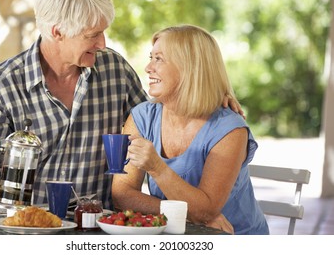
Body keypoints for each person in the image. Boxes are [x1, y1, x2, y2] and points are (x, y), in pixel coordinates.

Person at [0, 0, 240, 212]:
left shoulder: (114, 70)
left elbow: (159, 117)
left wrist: (214, 98)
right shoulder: (3, 85)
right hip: (31, 227)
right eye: (93, 34)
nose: (103, 43)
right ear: (58, 32)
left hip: (99, 227)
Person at [112, 25, 269, 234]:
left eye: (159, 59)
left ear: (190, 67)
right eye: (151, 57)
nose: (148, 67)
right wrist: (183, 215)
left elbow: (205, 212)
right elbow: (122, 194)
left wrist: (157, 167)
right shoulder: (142, 117)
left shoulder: (230, 130)